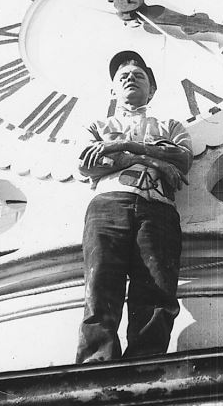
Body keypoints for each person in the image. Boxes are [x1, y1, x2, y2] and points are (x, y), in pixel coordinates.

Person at [76, 51, 193, 363]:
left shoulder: (171, 125)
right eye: (123, 77)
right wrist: (151, 159)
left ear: (151, 89)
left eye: (139, 76)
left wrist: (121, 146)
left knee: (157, 289)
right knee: (100, 283)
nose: (130, 79)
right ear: (113, 89)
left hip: (158, 208)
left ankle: (145, 363)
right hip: (109, 204)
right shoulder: (97, 126)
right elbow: (85, 163)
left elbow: (183, 158)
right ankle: (96, 363)